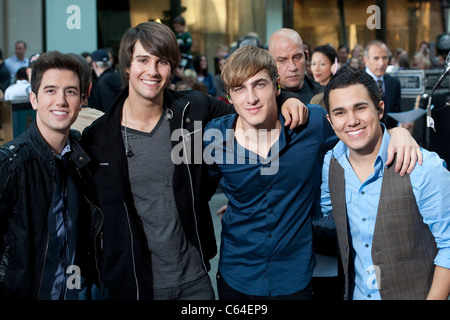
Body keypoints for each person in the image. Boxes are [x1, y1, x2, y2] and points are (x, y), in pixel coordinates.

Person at [81, 21, 307, 300]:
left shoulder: (193, 110)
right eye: (143, 60)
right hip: (132, 286)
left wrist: (286, 100)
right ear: (127, 66)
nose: (152, 71)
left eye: (162, 61)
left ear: (172, 67)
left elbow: (249, 108)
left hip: (194, 281)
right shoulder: (98, 139)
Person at [204, 45, 424, 301]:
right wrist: (240, 200)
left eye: (259, 85)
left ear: (277, 86)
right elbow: (194, 192)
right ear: (229, 96)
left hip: (295, 278)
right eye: (239, 89)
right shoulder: (215, 137)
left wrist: (397, 133)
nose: (250, 98)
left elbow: (358, 130)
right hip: (237, 276)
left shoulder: (313, 123)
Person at [321, 66, 450, 300]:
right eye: (340, 113)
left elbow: (449, 247)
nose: (352, 121)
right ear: (330, 121)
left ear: (379, 109)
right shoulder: (331, 163)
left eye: (360, 108)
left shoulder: (424, 167)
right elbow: (329, 217)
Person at [0, 51, 102, 299]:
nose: (61, 101)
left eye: (70, 91)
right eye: (50, 91)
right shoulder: (10, 165)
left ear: (82, 99)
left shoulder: (84, 159)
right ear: (34, 99)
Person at [364, 40, 411, 130]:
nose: (381, 63)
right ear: (366, 60)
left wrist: (400, 125)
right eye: (376, 58)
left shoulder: (394, 83)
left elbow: (396, 114)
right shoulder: (356, 82)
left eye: (385, 58)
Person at [268, 28, 321, 104]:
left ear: (306, 57)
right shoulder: (264, 101)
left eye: (297, 57)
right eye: (282, 60)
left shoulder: (324, 95)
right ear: (270, 62)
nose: (292, 67)